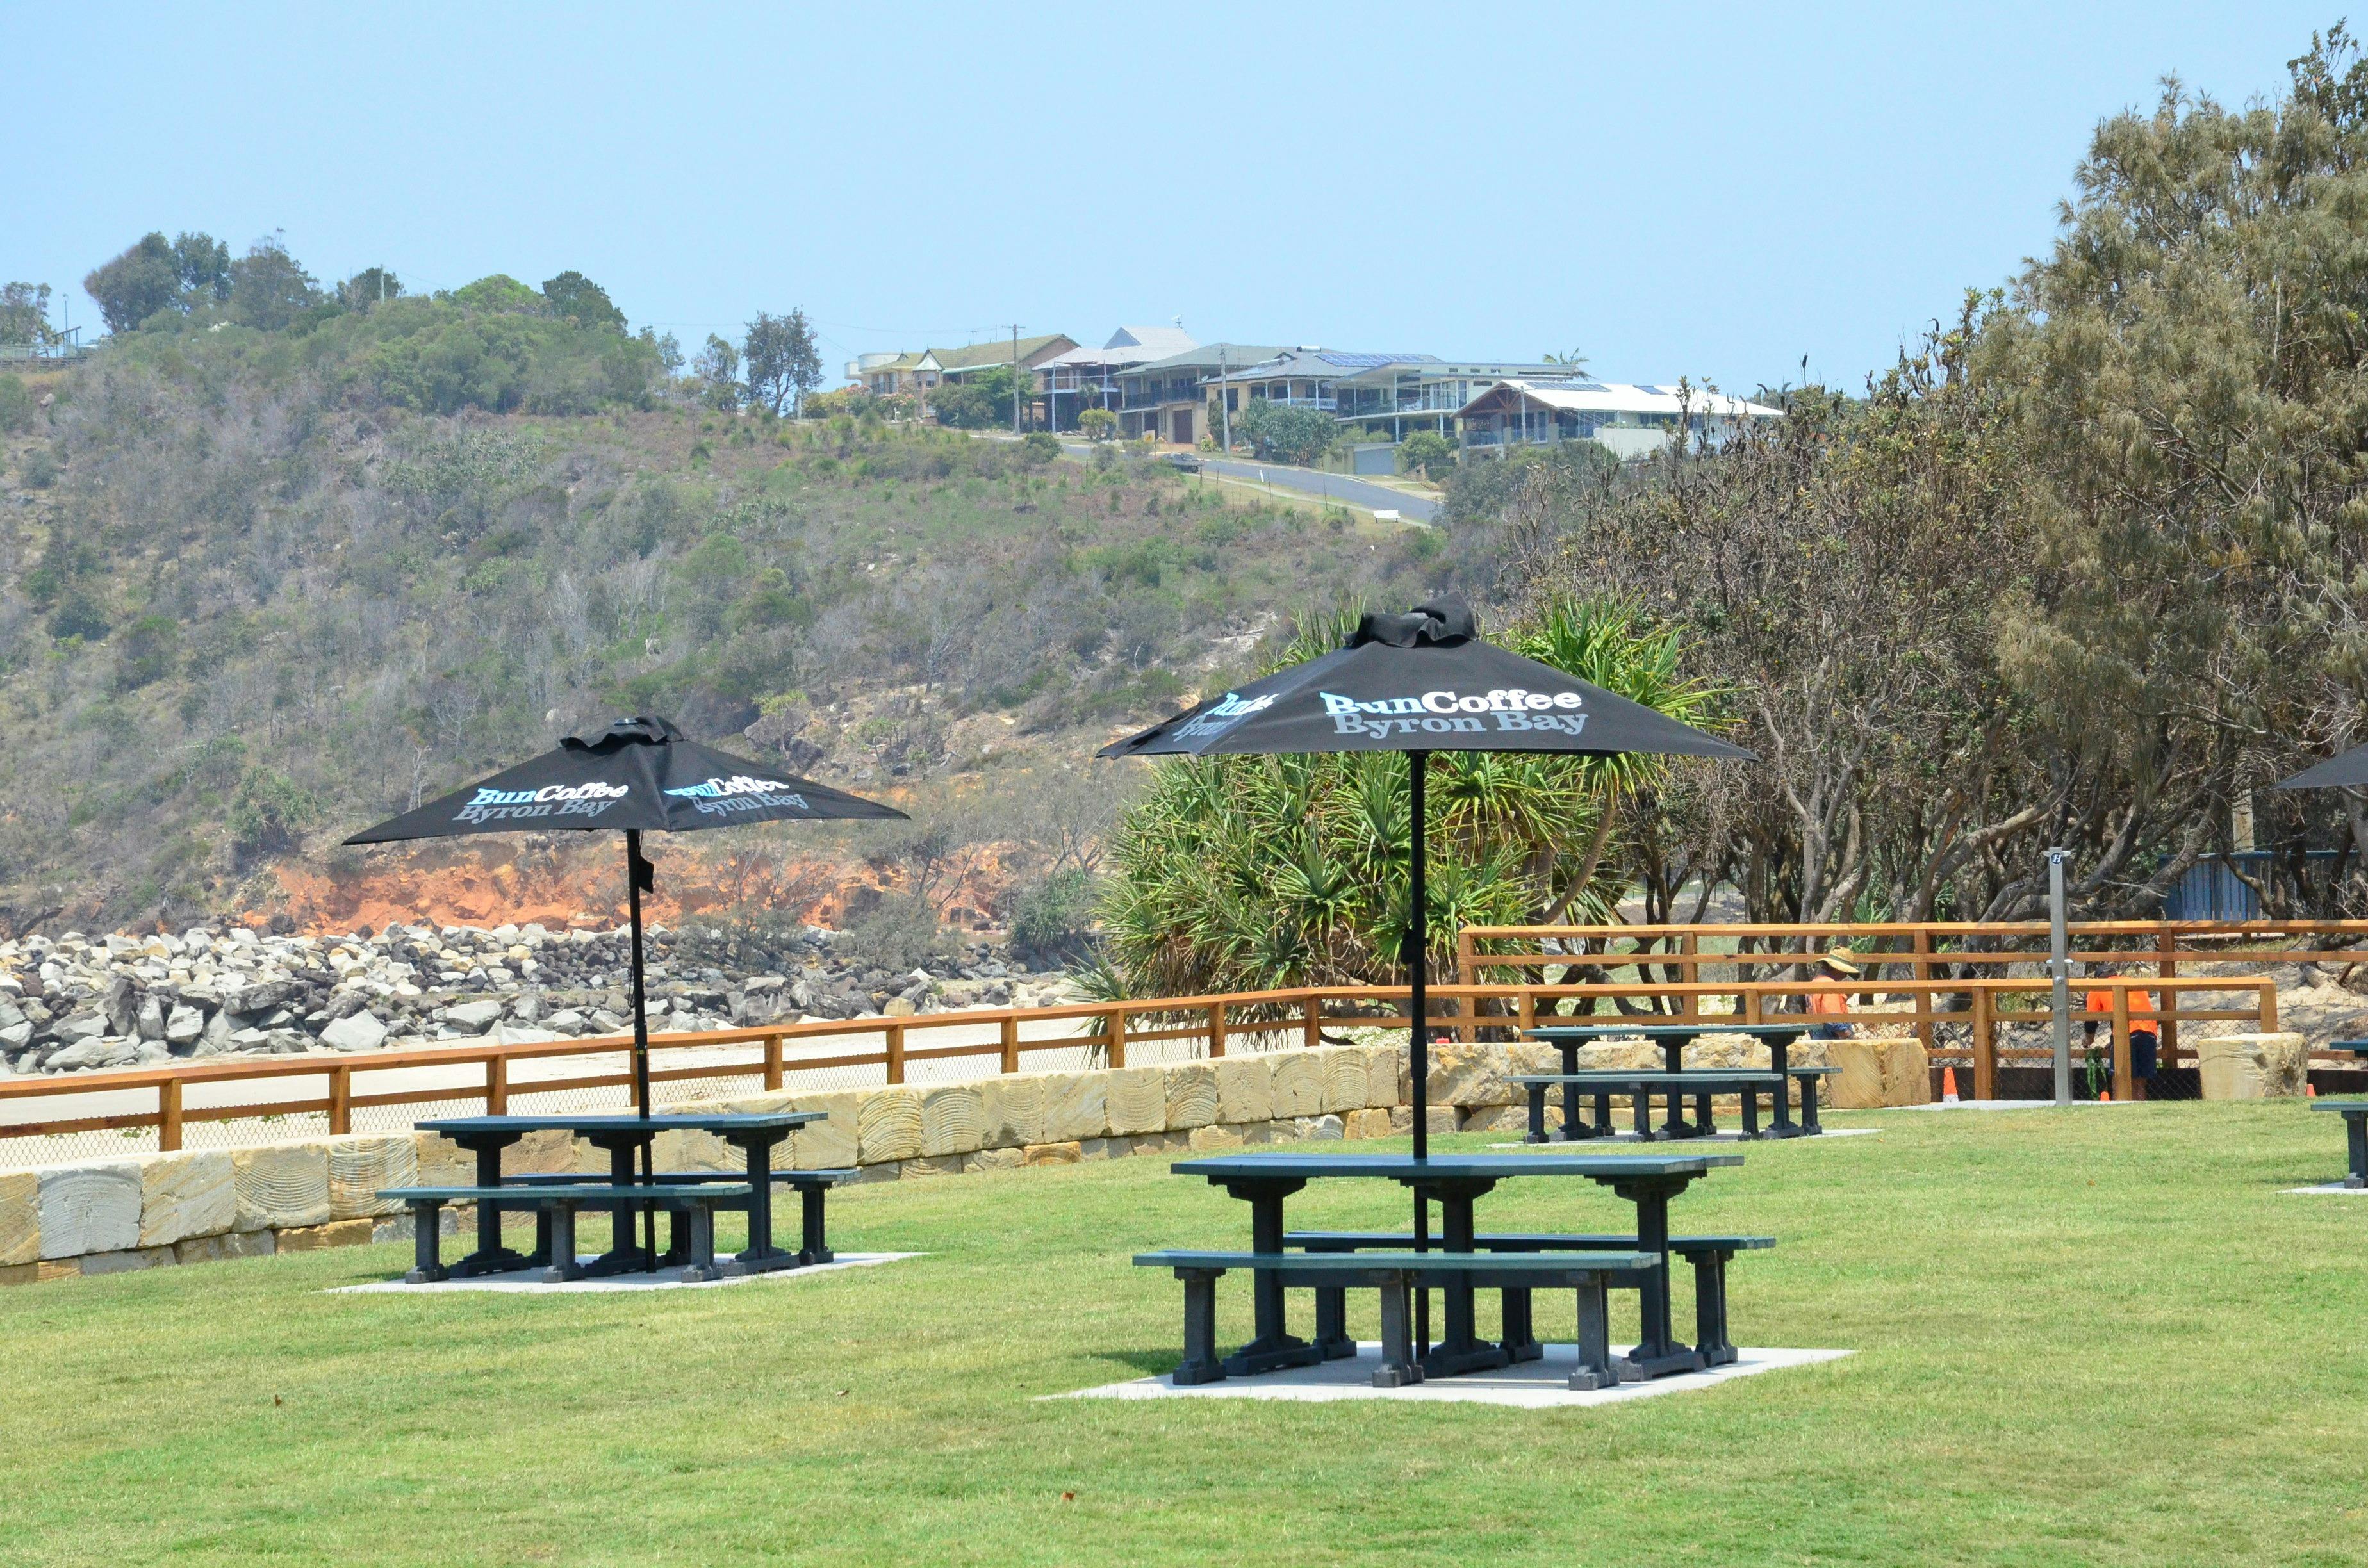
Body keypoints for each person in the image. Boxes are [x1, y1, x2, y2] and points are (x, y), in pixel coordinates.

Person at [2083, 964, 2160, 1100]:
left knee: (2119, 1077)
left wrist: (2089, 1040)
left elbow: (2091, 1020)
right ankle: (2140, 1111)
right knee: (2139, 1081)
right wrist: (2113, 1041)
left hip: (2126, 1033)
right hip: (2149, 1031)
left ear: (2098, 977)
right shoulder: (2132, 982)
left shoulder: (2098, 987)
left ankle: (2118, 1109)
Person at [1809, 946, 1859, 1040]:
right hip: (1830, 1040)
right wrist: (1850, 1036)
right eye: (1845, 971)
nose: (1845, 975)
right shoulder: (1830, 985)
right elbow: (1833, 1019)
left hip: (1817, 1036)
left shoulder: (1816, 981)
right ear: (1837, 968)